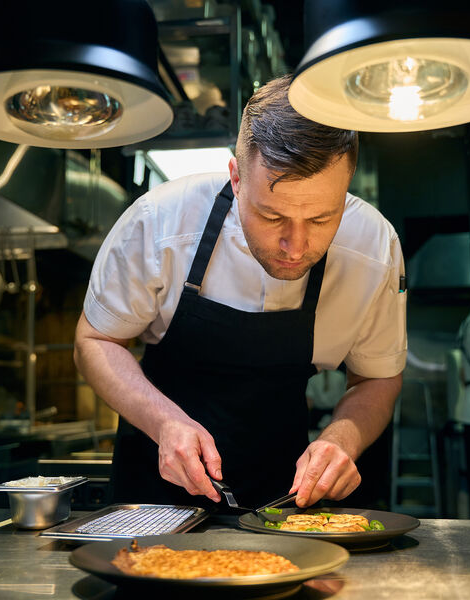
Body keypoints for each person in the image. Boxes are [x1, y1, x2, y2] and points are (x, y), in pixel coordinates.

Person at [74, 74, 406, 511]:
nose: (295, 246)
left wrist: (343, 439)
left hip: (286, 501)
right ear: (235, 178)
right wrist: (165, 422)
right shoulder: (159, 223)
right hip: (153, 500)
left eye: (321, 219)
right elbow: (95, 341)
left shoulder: (375, 250)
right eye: (272, 217)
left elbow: (378, 377)